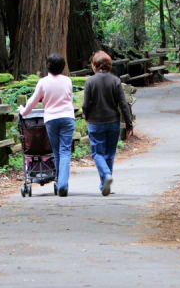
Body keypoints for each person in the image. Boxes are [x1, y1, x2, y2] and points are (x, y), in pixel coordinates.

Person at [20, 53, 75, 196]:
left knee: (56, 151)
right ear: (63, 67)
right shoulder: (67, 81)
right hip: (68, 118)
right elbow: (70, 97)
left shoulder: (43, 82)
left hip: (51, 119)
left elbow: (32, 101)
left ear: (48, 67)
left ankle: (60, 181)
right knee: (65, 151)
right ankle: (62, 183)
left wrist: (23, 111)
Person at [82, 50, 133, 196]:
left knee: (97, 153)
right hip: (113, 122)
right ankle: (104, 183)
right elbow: (123, 104)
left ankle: (106, 175)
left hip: (95, 122)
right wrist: (129, 124)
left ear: (94, 65)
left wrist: (86, 115)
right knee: (110, 154)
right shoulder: (115, 81)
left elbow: (86, 104)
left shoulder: (90, 81)